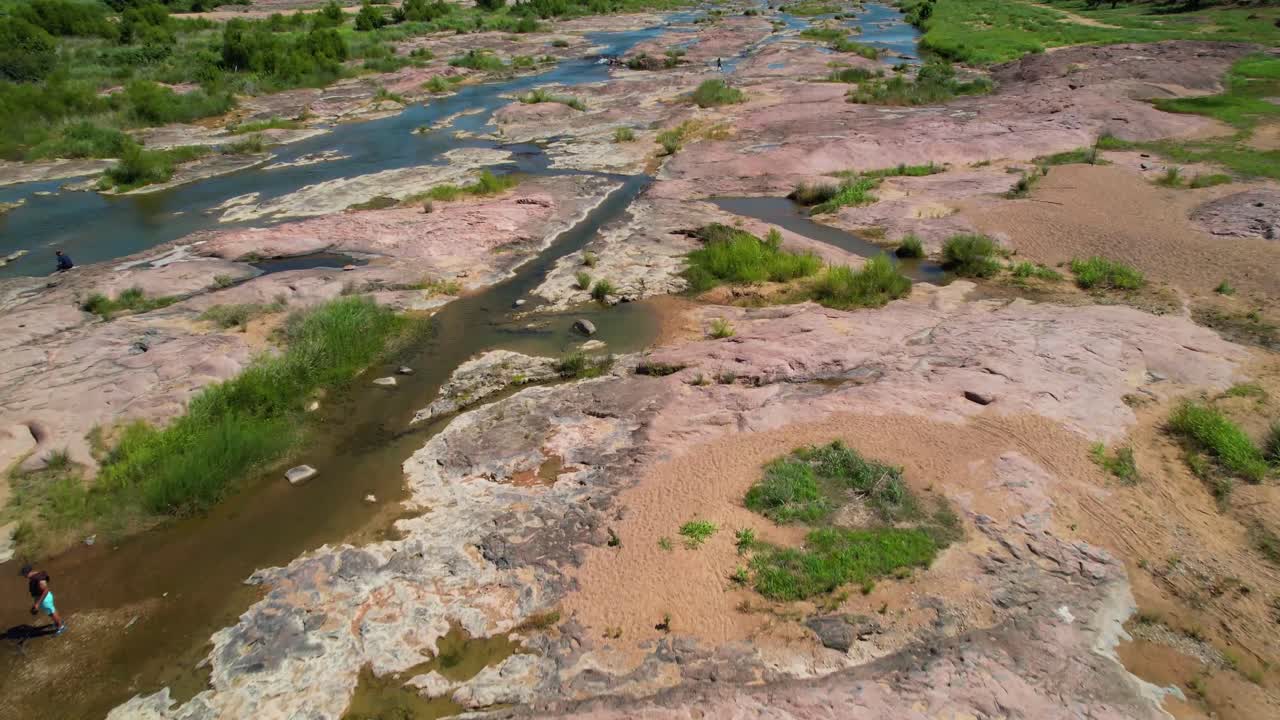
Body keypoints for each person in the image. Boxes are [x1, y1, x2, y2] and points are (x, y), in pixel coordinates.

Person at [21, 565, 65, 636]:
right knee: (51, 611)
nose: (23, 576)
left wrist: (37, 604)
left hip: (45, 599)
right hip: (44, 599)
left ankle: (61, 627)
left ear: (27, 573)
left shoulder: (38, 578)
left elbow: (45, 590)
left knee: (52, 612)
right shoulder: (36, 575)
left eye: (24, 574)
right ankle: (58, 622)